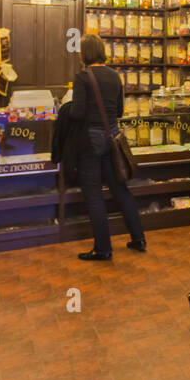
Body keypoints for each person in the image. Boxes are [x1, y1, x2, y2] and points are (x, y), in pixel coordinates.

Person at [63, 34, 147, 261]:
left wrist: (67, 110)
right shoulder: (114, 76)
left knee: (93, 196)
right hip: (112, 138)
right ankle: (138, 238)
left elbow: (78, 113)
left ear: (85, 53)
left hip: (90, 141)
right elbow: (119, 111)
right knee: (120, 189)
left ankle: (103, 248)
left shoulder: (82, 76)